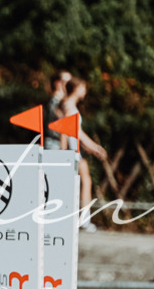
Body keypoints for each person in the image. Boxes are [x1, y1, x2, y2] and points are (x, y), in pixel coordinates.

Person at [60, 78, 108, 232]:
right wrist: (94, 147)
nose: (85, 91)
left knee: (83, 181)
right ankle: (84, 220)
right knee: (85, 181)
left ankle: (82, 218)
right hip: (72, 151)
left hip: (74, 150)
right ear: (76, 88)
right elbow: (70, 131)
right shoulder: (68, 106)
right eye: (83, 88)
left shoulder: (68, 105)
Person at [43, 70, 72, 150]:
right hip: (55, 145)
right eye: (66, 82)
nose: (70, 86)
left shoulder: (59, 102)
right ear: (57, 83)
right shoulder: (54, 102)